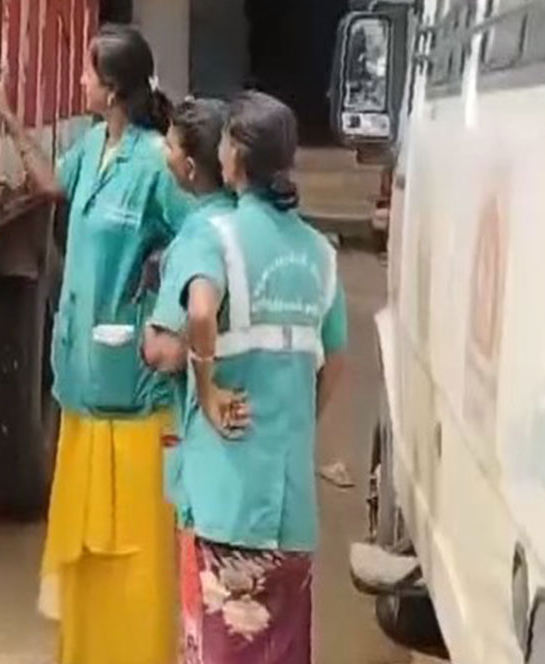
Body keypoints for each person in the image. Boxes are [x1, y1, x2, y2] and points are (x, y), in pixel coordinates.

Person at [10, 24, 191, 664]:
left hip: (134, 395)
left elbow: (201, 237)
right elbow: (53, 189)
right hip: (84, 388)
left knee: (134, 554)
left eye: (88, 74)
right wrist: (9, 120)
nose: (80, 83)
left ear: (112, 88)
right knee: (83, 548)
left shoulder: (154, 164)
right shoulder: (92, 147)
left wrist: (165, 306)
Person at [171, 91, 349, 664]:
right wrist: (294, 420)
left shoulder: (216, 235)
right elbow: (336, 359)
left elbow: (199, 311)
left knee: (223, 648)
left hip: (230, 498)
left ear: (237, 157)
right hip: (290, 509)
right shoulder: (320, 254)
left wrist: (207, 388)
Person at [142, 97, 238, 661]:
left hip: (213, 473)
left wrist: (144, 338)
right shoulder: (282, 233)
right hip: (278, 478)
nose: (165, 154)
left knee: (209, 625)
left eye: (172, 146)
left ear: (191, 168)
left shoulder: (199, 238)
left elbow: (169, 348)